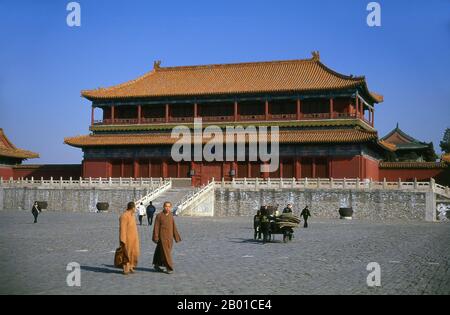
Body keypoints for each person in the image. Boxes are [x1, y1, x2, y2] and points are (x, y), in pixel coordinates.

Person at [152, 201, 181, 274]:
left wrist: (176, 237)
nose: (167, 208)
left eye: (169, 207)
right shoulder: (159, 215)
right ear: (163, 207)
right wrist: (156, 237)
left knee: (160, 251)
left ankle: (156, 264)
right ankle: (169, 267)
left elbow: (173, 226)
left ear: (170, 207)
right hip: (162, 237)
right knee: (166, 252)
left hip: (170, 237)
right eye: (166, 206)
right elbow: (156, 227)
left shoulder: (171, 215)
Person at [118, 201, 140, 275]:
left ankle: (131, 266)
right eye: (135, 207)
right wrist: (122, 240)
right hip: (127, 239)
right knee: (126, 253)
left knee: (134, 253)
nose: (135, 209)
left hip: (134, 238)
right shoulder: (124, 216)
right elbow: (122, 228)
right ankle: (126, 268)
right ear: (133, 208)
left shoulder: (132, 215)